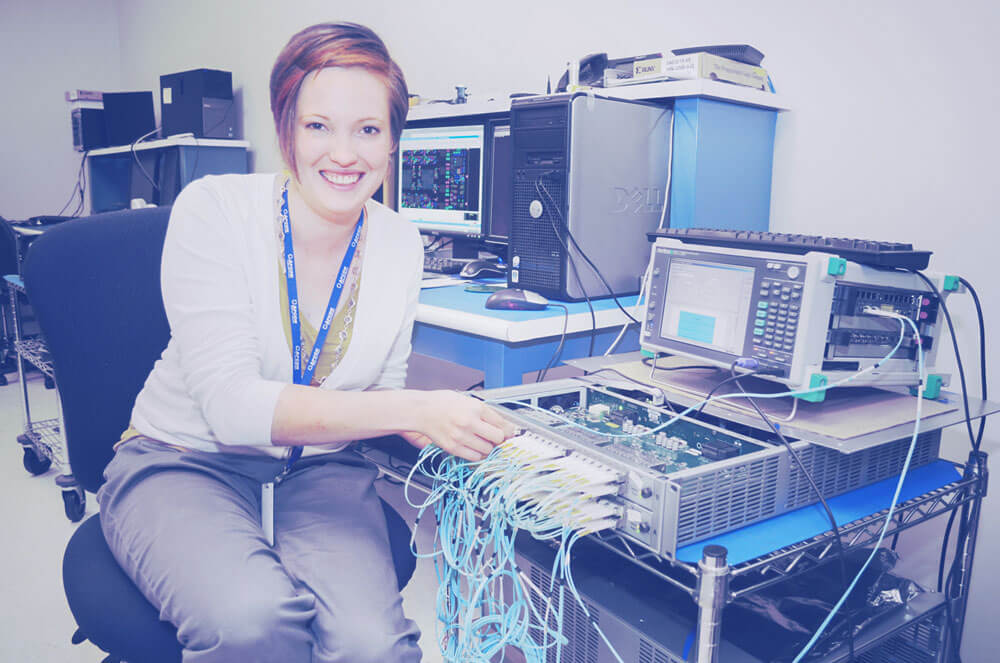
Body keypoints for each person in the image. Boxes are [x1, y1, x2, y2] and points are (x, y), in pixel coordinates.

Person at [97, 22, 514, 663]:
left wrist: (474, 434)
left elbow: (381, 390)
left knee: (373, 646)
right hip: (184, 459)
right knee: (254, 623)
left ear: (393, 140)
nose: (344, 154)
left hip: (317, 470)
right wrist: (415, 410)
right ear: (284, 124)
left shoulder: (402, 243)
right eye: (319, 125)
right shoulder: (214, 210)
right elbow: (233, 408)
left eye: (368, 130)